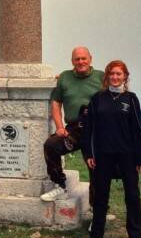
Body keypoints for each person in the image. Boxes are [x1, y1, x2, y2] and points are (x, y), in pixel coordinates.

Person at [82, 60, 141, 238]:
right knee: (101, 196)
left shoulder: (131, 99)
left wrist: (140, 158)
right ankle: (97, 236)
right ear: (107, 76)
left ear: (125, 76)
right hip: (103, 155)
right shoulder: (97, 99)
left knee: (132, 196)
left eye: (119, 74)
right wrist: (89, 154)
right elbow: (89, 130)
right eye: (112, 74)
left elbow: (138, 130)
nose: (116, 77)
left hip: (127, 155)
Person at [40, 46, 104, 205]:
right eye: (77, 59)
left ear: (90, 59)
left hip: (97, 130)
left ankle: (97, 213)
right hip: (74, 130)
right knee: (52, 145)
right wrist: (60, 127)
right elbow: (56, 102)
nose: (81, 62)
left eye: (84, 58)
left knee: (96, 169)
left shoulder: (102, 77)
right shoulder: (64, 77)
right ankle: (60, 185)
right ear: (72, 61)